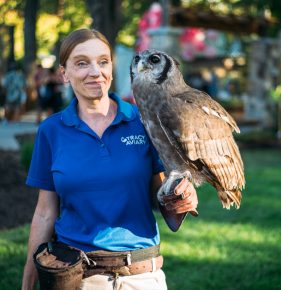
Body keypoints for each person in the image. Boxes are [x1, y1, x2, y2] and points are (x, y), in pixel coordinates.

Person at [21, 28, 198, 290]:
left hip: (142, 276)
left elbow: (160, 196)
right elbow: (45, 213)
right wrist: (28, 280)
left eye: (103, 61)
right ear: (64, 73)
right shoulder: (51, 131)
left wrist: (181, 196)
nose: (95, 72)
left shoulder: (143, 121)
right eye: (82, 63)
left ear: (112, 68)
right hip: (78, 278)